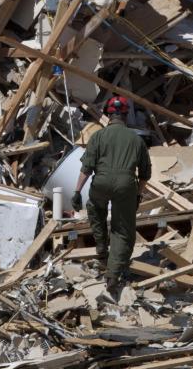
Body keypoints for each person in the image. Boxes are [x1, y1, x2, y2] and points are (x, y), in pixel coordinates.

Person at [71, 95, 151, 291]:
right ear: (125, 115)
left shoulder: (98, 136)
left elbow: (87, 168)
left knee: (95, 208)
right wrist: (138, 195)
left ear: (108, 114)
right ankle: (113, 275)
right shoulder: (136, 139)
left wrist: (76, 191)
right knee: (122, 230)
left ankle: (100, 247)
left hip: (101, 182)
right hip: (126, 185)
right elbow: (145, 175)